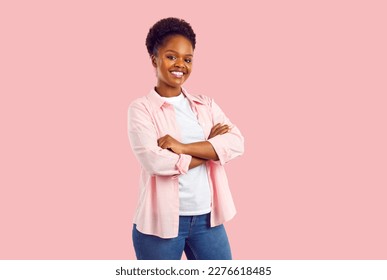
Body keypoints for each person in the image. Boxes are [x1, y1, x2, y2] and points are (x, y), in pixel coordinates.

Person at [127, 17, 244, 260]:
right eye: (171, 56)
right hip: (159, 226)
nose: (180, 64)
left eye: (187, 59)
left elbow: (236, 143)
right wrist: (210, 150)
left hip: (208, 221)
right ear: (154, 59)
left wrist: (181, 148)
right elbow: (155, 162)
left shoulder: (205, 104)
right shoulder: (141, 109)